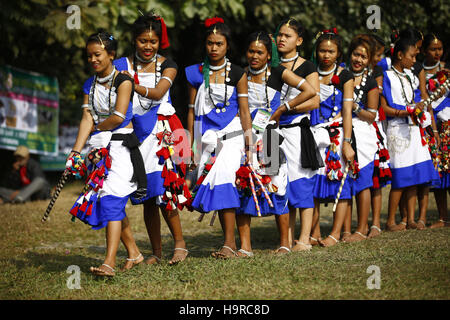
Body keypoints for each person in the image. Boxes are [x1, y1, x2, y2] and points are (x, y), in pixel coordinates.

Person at [115, 11, 190, 266]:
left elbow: (158, 93)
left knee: (164, 190)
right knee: (148, 196)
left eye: (153, 42)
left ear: (160, 42)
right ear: (134, 40)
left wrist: (128, 84)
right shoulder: (121, 65)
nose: (148, 46)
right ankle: (156, 252)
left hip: (161, 133)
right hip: (135, 135)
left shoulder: (167, 65)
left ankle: (180, 244)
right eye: (142, 41)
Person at [68, 31, 143, 277]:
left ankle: (108, 263)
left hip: (121, 148)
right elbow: (87, 116)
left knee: (111, 199)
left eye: (97, 54)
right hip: (99, 149)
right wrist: (76, 151)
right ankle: (134, 253)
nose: (92, 59)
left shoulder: (123, 81)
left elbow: (118, 117)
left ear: (111, 55)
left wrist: (96, 133)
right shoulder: (89, 84)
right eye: (89, 55)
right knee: (109, 201)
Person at [235, 31, 315, 256]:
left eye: (260, 52)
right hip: (245, 136)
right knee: (242, 183)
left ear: (269, 55)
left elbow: (310, 91)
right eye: (251, 51)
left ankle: (283, 244)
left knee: (277, 184)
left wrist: (283, 108)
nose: (254, 56)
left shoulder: (279, 72)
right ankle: (245, 246)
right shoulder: (241, 74)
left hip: (270, 137)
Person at [185, 17, 253, 258]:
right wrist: (189, 147)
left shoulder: (237, 73)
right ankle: (229, 244)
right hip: (207, 138)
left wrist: (249, 142)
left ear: (227, 46)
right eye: (210, 43)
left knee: (223, 174)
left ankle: (228, 243)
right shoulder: (194, 73)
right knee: (215, 181)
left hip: (233, 134)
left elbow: (244, 110)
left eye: (219, 44)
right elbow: (192, 111)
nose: (214, 48)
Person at [381, 36, 438, 232]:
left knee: (413, 175)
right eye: (412, 56)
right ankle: (390, 221)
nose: (415, 61)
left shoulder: (409, 76)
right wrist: (407, 110)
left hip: (414, 128)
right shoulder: (387, 76)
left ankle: (410, 219)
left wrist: (419, 108)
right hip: (398, 129)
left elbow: (414, 97)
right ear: (399, 55)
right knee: (400, 176)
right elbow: (386, 105)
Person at [275, 18, 321, 251]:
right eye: (279, 34)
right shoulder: (270, 64)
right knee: (280, 183)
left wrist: (285, 108)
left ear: (299, 41)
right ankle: (286, 238)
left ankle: (304, 239)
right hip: (273, 131)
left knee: (301, 183)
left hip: (296, 130)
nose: (282, 39)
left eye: (288, 35)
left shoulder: (307, 67)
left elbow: (314, 100)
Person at [309, 28, 356, 247]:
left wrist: (347, 143)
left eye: (331, 51)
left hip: (338, 133)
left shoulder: (345, 76)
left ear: (338, 54)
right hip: (313, 132)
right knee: (313, 181)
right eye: (322, 51)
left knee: (341, 184)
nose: (326, 55)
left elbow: (347, 111)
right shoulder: (310, 72)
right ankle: (314, 231)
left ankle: (335, 233)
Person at [341, 35, 379, 243]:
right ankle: (345, 230)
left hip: (363, 134)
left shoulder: (370, 82)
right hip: (342, 131)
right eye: (356, 54)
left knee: (363, 181)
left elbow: (372, 114)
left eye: (364, 57)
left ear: (370, 60)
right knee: (345, 180)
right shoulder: (341, 75)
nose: (359, 59)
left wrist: (353, 106)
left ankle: (362, 228)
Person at [421, 33, 450, 228]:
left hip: (448, 123)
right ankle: (442, 217)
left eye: (439, 49)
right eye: (433, 49)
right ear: (424, 50)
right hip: (431, 125)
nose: (437, 52)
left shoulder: (447, 71)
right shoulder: (419, 72)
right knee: (438, 169)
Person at [367, 34, 392, 239]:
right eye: (377, 54)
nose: (379, 58)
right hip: (356, 124)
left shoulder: (377, 71)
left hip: (373, 124)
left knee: (376, 175)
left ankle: (375, 223)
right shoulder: (349, 70)